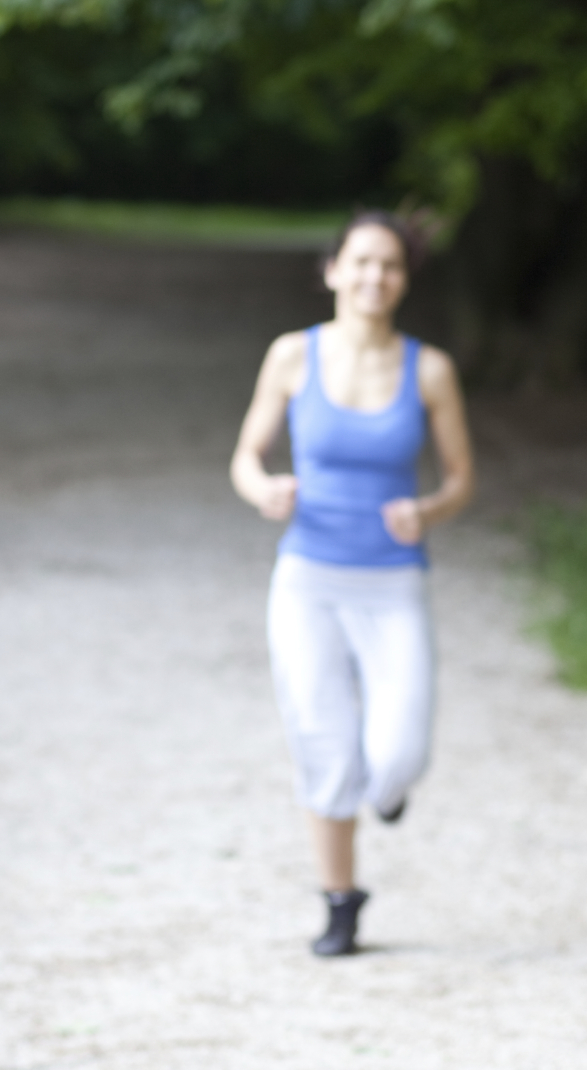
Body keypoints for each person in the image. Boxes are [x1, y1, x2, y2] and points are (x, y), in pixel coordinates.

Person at [229, 211, 474, 957]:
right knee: (323, 741)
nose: (375, 277)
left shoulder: (428, 370)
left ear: (404, 280)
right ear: (333, 269)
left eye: (390, 266)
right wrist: (263, 489)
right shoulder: (291, 357)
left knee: (397, 754)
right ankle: (340, 900)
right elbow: (245, 455)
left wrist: (427, 510)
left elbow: (462, 478)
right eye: (361, 262)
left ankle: (390, 794)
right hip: (307, 581)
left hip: (392, 583)